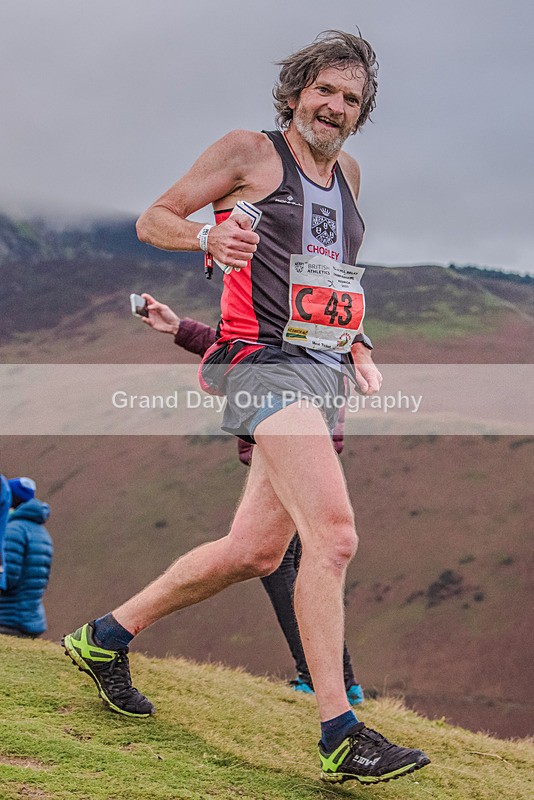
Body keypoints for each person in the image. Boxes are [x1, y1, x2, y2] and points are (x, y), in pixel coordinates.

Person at [64, 30, 429, 784]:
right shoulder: (250, 153)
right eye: (324, 90)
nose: (334, 107)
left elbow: (330, 279)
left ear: (362, 115)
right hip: (259, 367)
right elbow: (153, 217)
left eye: (350, 99)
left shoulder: (350, 175)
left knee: (255, 551)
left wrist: (357, 339)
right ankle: (339, 730)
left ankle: (106, 636)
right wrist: (206, 234)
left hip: (318, 372)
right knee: (332, 538)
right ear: (296, 91)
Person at [139, 292, 364, 705]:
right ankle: (337, 681)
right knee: (284, 558)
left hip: (292, 447)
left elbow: (259, 357)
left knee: (282, 561)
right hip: (289, 447)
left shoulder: (303, 327)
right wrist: (177, 327)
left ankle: (322, 679)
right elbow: (238, 350)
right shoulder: (297, 324)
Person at [0, 478, 53, 638]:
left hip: (8, 618)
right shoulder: (41, 532)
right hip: (30, 617)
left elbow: (6, 578)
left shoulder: (13, 530)